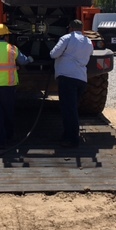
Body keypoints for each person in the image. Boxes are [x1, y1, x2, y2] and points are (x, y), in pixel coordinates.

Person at [0, 24, 33, 149]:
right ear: (5, 36)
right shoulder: (12, 49)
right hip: (8, 86)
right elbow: (23, 61)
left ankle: (0, 142)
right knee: (8, 112)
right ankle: (10, 136)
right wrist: (30, 59)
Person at [49, 19, 93, 147]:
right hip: (81, 79)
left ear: (71, 28)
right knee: (72, 108)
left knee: (69, 110)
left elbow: (53, 54)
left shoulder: (66, 38)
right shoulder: (88, 41)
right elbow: (89, 54)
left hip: (67, 78)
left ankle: (72, 139)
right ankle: (67, 135)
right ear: (82, 29)